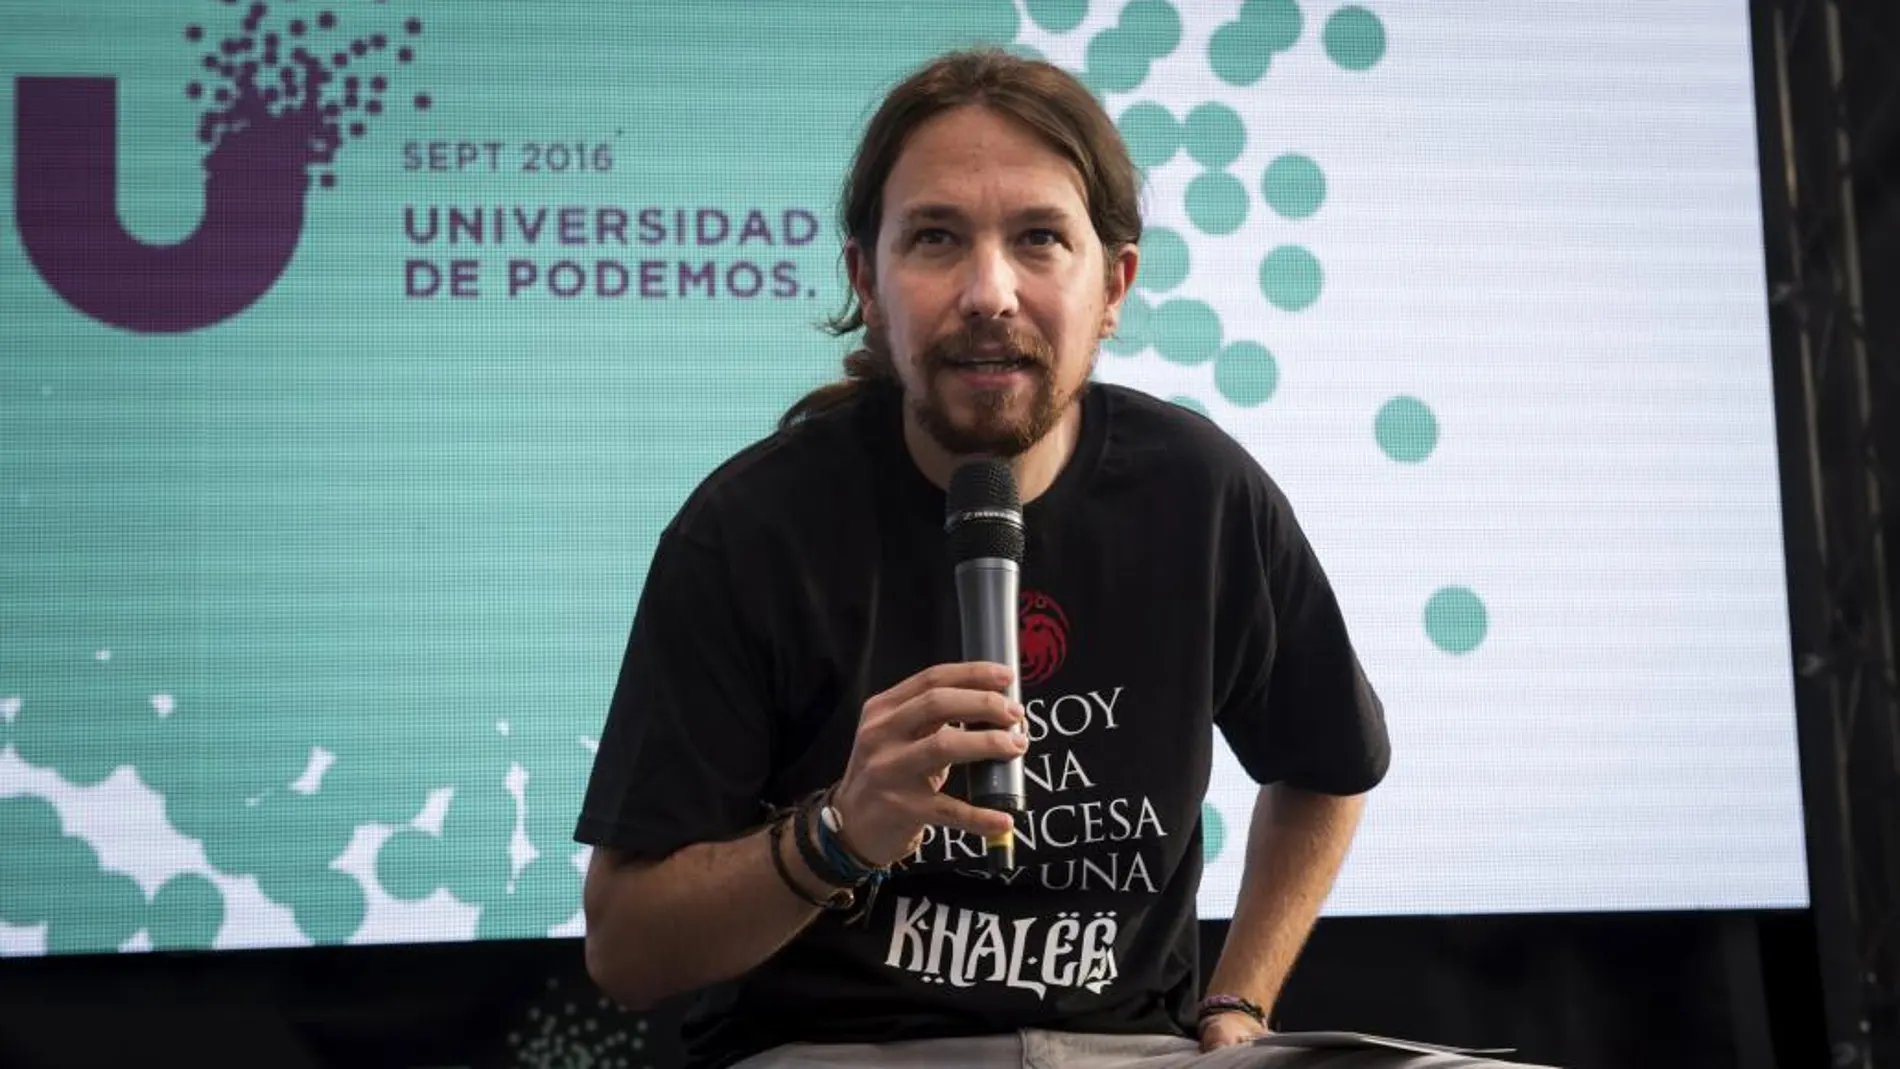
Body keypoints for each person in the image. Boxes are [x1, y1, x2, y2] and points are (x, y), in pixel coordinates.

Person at [575, 47, 1552, 1069]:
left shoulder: (1198, 491)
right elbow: (627, 948)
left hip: (1133, 1052)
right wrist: (839, 831)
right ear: (867, 280)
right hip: (841, 1050)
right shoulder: (750, 529)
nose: (989, 291)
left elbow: (1327, 768)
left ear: (1114, 283)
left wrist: (1238, 1002)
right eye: (937, 239)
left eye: (1038, 238)